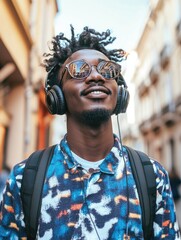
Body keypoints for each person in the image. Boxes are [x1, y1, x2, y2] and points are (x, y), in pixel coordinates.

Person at [0, 25, 180, 240]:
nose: (96, 76)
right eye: (79, 70)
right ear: (57, 96)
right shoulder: (24, 178)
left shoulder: (152, 175)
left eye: (106, 70)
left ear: (119, 93)